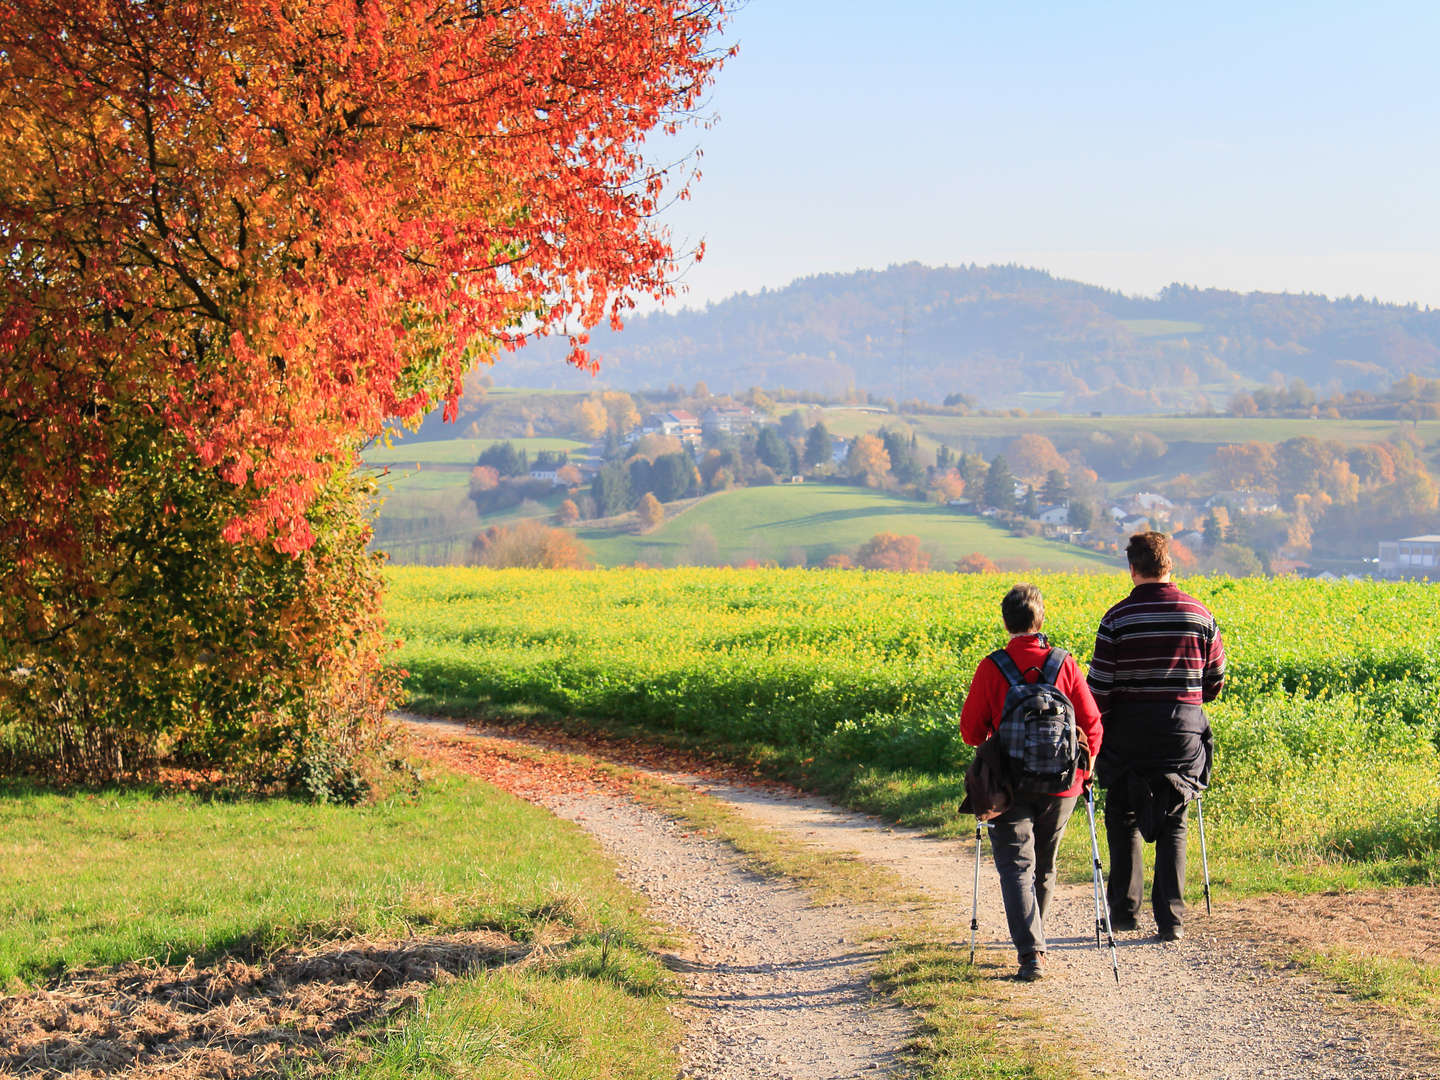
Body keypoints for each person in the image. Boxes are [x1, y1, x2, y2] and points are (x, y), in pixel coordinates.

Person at [1087, 532, 1225, 942]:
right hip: (1182, 731)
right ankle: (1171, 921)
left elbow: (1099, 690)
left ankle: (1125, 914)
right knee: (1174, 819)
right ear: (1170, 564)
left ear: (1132, 569)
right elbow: (1214, 682)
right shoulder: (1200, 615)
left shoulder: (1116, 619)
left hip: (1128, 732)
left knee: (1124, 816)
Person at [960, 582, 1103, 982]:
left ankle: (1031, 954)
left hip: (1007, 785)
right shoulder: (1065, 664)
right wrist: (1084, 771)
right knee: (1044, 864)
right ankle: (1036, 939)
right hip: (1063, 785)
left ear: (1006, 622)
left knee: (1016, 866)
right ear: (1041, 620)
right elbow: (1091, 723)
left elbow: (971, 732)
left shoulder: (993, 667)